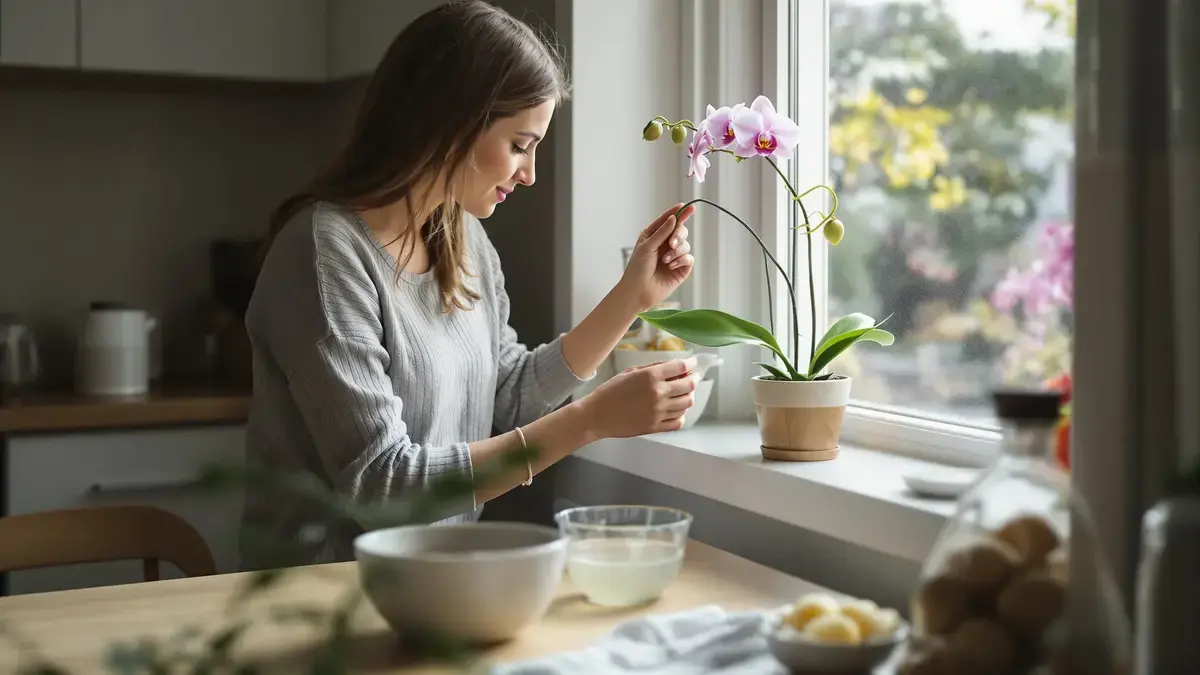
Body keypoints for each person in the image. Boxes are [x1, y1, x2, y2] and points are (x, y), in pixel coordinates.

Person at [239, 0, 699, 568]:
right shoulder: (324, 252)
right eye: (520, 145)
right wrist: (590, 422)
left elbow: (510, 397)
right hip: (315, 605)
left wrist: (635, 296)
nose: (529, 174)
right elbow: (384, 487)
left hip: (434, 583)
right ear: (453, 121)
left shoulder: (464, 238)